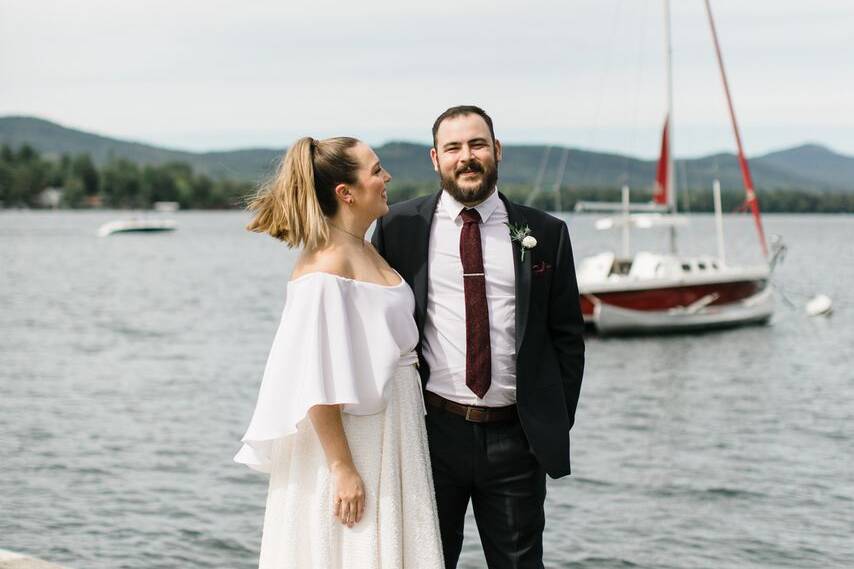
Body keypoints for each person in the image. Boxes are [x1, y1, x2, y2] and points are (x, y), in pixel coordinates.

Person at [371, 106, 586, 569]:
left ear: (497, 151)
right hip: (430, 432)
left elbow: (568, 337)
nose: (466, 157)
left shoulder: (547, 233)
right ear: (435, 158)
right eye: (453, 148)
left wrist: (551, 419)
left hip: (516, 438)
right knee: (425, 562)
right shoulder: (398, 227)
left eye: (477, 145)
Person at [235, 136, 445, 569]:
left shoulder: (364, 247)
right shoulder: (324, 270)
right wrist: (343, 468)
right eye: (376, 170)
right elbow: (314, 376)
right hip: (357, 440)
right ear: (345, 193)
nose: (386, 178)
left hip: (394, 425)